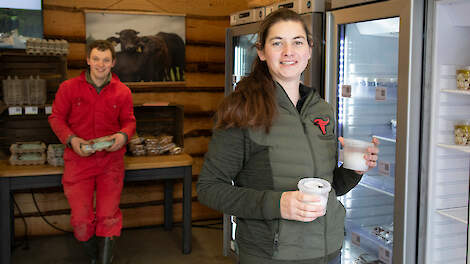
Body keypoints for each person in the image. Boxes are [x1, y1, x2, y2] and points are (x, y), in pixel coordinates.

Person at [197, 9, 379, 264]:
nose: (288, 52)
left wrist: (354, 169)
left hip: (329, 252)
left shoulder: (322, 110)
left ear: (309, 49)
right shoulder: (242, 110)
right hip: (270, 255)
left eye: (297, 42)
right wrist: (278, 204)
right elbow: (209, 189)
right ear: (262, 52)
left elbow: (329, 187)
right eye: (277, 43)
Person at [48, 40, 136, 264]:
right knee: (81, 219)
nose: (100, 64)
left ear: (113, 63)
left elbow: (129, 122)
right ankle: (93, 259)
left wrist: (123, 136)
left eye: (106, 60)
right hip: (79, 161)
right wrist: (71, 139)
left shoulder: (123, 92)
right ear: (88, 60)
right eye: (96, 58)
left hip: (111, 162)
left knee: (108, 216)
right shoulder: (69, 88)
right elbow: (56, 117)